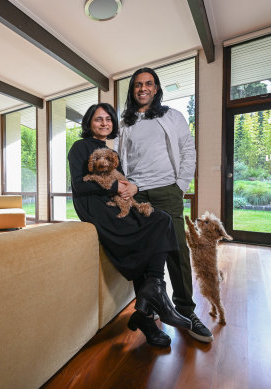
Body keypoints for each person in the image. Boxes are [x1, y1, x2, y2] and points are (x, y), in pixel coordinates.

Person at [68, 103, 191, 348]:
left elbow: (122, 180)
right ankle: (149, 309)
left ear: (113, 124)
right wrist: (115, 188)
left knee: (162, 219)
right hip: (96, 208)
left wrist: (128, 189)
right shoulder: (79, 147)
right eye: (98, 119)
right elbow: (80, 185)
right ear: (89, 123)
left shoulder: (108, 149)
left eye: (108, 120)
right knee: (149, 232)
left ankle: (150, 296)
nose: (104, 123)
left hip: (116, 203)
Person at [114, 67, 213, 343]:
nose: (143, 88)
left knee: (177, 251)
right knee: (144, 253)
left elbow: (187, 150)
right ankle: (149, 312)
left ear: (156, 88)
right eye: (137, 85)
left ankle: (186, 311)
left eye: (148, 83)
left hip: (167, 191)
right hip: (137, 195)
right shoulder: (126, 123)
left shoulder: (172, 116)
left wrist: (180, 186)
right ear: (133, 91)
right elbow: (121, 161)